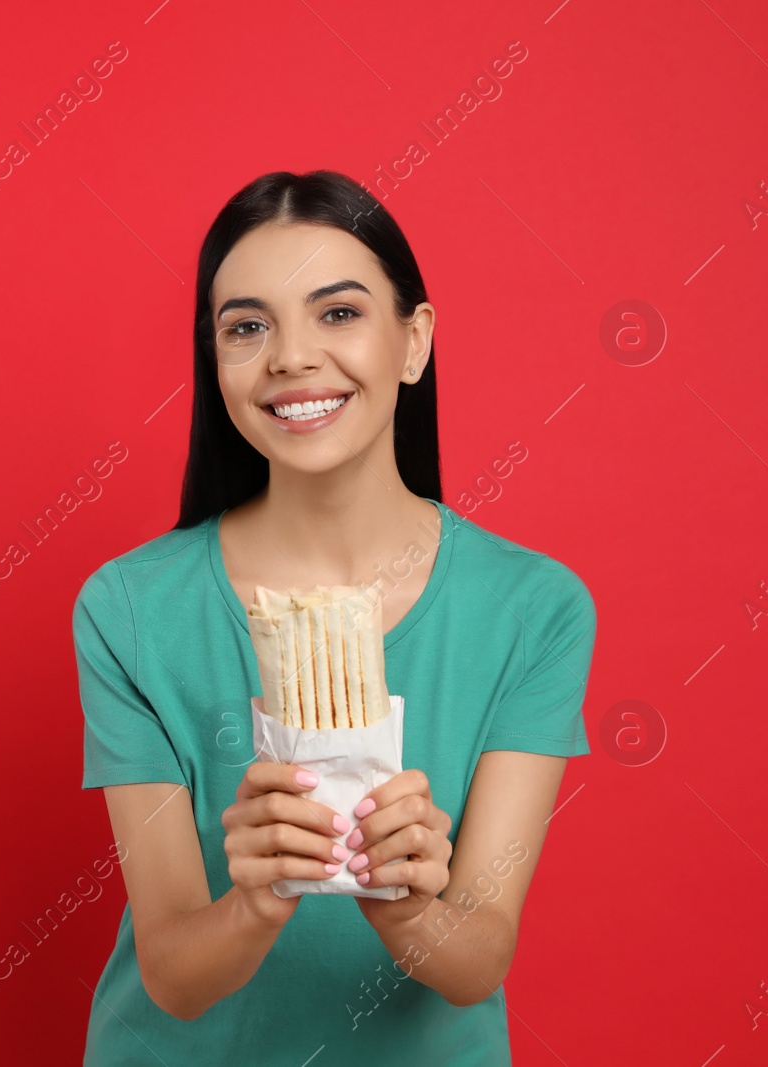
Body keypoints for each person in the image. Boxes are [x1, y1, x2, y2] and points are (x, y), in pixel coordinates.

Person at [72, 170, 596, 1065]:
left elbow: (476, 961)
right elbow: (171, 972)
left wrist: (405, 900)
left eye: (339, 313)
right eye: (247, 327)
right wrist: (259, 897)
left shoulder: (532, 607)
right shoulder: (128, 608)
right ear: (217, 362)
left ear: (414, 340)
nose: (291, 358)